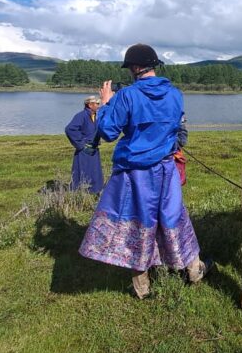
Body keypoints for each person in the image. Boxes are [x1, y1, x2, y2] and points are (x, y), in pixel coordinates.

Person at [78, 43, 212, 299]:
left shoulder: (126, 96)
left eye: (129, 67)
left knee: (137, 223)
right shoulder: (175, 94)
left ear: (136, 67)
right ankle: (194, 270)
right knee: (174, 217)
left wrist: (106, 104)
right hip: (166, 168)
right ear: (153, 65)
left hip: (135, 174)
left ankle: (142, 288)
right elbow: (178, 129)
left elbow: (107, 132)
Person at [64, 96, 104, 194]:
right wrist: (81, 144)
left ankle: (95, 192)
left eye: (99, 104)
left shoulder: (95, 116)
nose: (98, 106)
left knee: (95, 171)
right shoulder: (81, 116)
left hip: (93, 148)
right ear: (90, 105)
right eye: (97, 104)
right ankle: (78, 193)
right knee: (82, 171)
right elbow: (70, 129)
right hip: (84, 149)